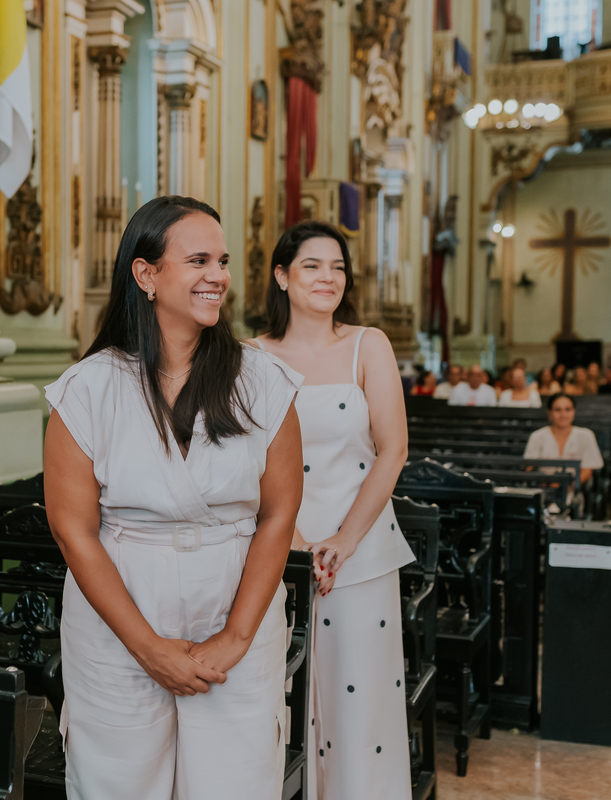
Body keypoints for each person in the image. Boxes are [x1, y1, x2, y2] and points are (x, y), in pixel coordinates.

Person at [42, 196, 303, 800]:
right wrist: (148, 646)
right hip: (122, 605)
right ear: (146, 274)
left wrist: (236, 636)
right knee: (117, 781)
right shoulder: (89, 388)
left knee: (234, 782)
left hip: (235, 596)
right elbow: (73, 530)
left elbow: (278, 513)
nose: (218, 276)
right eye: (198, 261)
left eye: (223, 261)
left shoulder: (262, 381)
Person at [253, 221, 413, 800]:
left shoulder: (367, 345)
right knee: (287, 693)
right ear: (282, 275)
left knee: (357, 698)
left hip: (361, 549)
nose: (328, 278)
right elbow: (249, 460)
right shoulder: (253, 357)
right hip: (281, 548)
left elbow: (392, 449)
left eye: (337, 267)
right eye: (312, 265)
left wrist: (342, 540)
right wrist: (292, 538)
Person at [524, 393, 604, 485]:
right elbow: (529, 468)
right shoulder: (537, 436)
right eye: (558, 410)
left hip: (573, 490)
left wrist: (563, 487)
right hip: (543, 487)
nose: (563, 414)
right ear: (549, 412)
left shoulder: (586, 435)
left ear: (574, 411)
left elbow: (587, 471)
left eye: (568, 409)